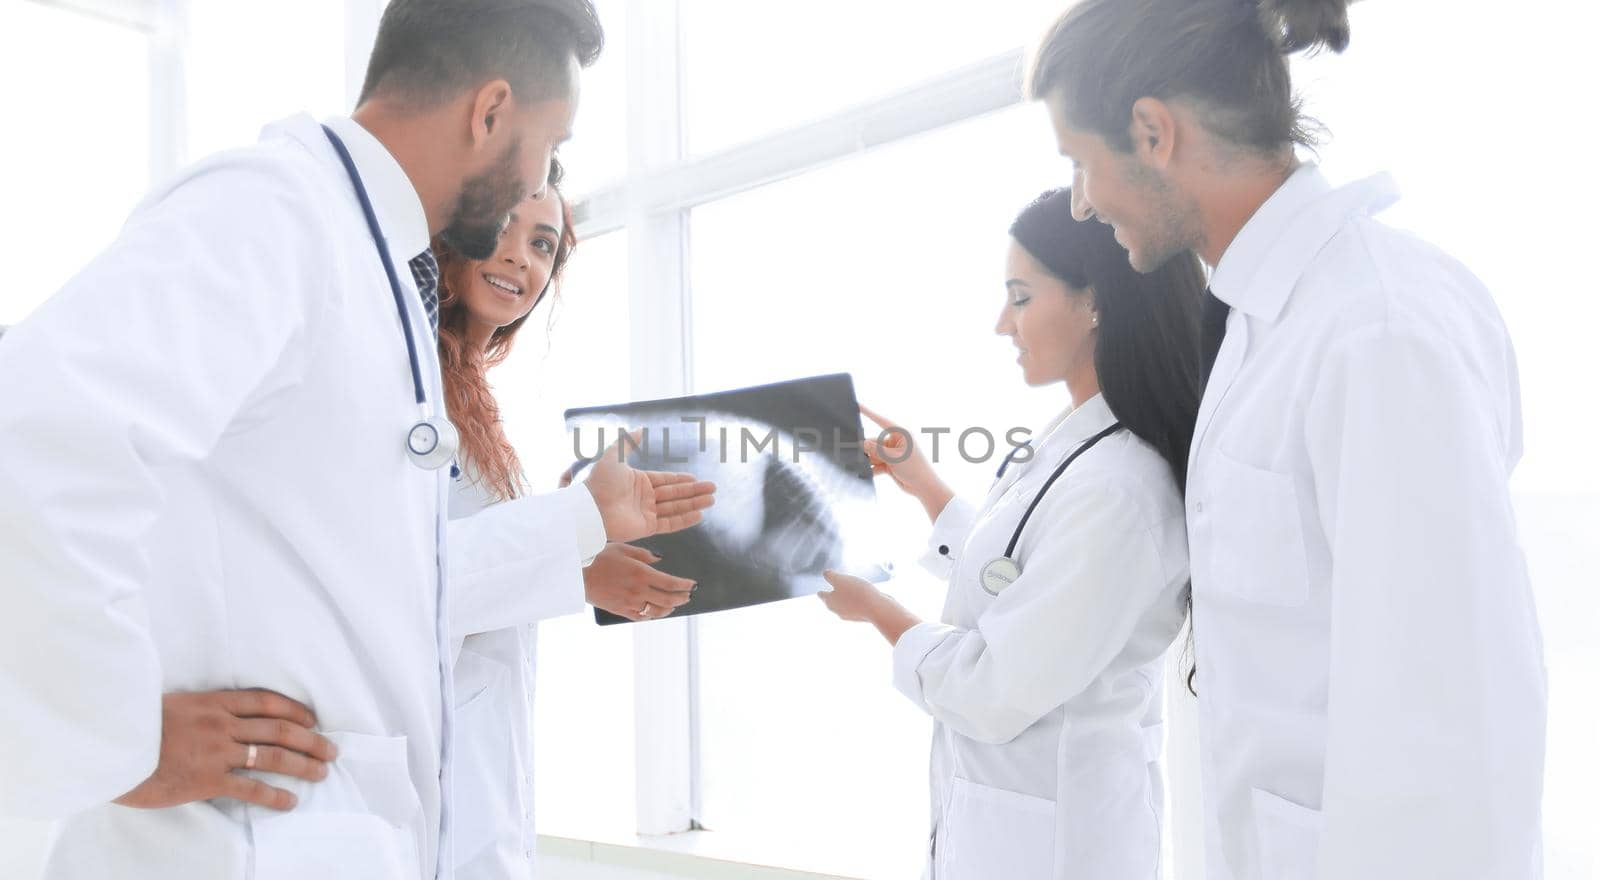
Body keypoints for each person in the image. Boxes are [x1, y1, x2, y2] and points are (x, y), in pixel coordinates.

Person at [0, 2, 708, 878]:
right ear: (489, 113)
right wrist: (114, 739)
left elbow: (374, 583)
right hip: (231, 844)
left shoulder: (382, 269)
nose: (540, 174)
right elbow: (34, 434)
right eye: (545, 140)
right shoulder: (274, 208)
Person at [1028, 1, 1547, 877]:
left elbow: (1453, 727)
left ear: (1153, 133)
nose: (1081, 204)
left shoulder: (1376, 328)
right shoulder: (1268, 323)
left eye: (1081, 163)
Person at [819, 188, 1204, 879]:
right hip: (1015, 826)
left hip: (1064, 846)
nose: (1003, 324)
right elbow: (1018, 577)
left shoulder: (1123, 487)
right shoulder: (1083, 443)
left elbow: (996, 686)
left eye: (1021, 298)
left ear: (1095, 304)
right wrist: (925, 487)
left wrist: (873, 609)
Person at [436, 159, 708, 876]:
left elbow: (462, 572)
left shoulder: (473, 403)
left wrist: (579, 570)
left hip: (475, 805)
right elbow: (403, 580)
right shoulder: (413, 397)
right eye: (504, 227)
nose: (520, 258)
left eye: (543, 245)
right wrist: (583, 519)